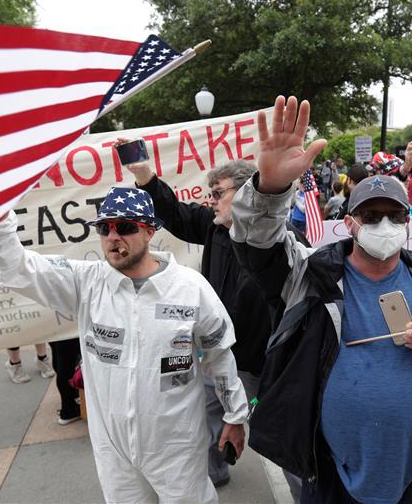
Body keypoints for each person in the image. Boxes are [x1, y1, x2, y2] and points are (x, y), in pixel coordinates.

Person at [230, 95, 412, 503]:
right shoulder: (311, 273)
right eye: (371, 215)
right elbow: (256, 242)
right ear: (349, 222)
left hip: (406, 468)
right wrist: (271, 187)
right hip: (328, 466)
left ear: (408, 222)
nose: (384, 224)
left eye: (395, 215)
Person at [0, 187, 248, 504]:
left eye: (125, 227)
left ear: (149, 230)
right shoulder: (86, 282)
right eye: (104, 228)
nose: (112, 236)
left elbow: (219, 357)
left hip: (176, 445)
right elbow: (17, 268)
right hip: (114, 449)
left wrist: (235, 415)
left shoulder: (190, 288)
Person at [125, 150, 305, 498]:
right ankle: (216, 471)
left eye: (218, 193)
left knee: (279, 435)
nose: (212, 202)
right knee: (204, 420)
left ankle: (306, 494)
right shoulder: (214, 229)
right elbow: (174, 213)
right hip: (213, 356)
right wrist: (145, 177)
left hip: (261, 366)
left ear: (245, 193)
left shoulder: (286, 242)